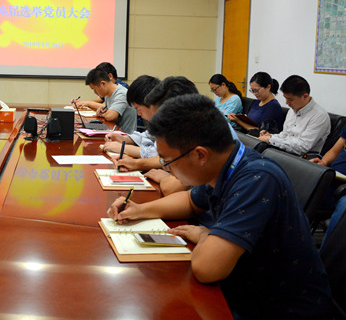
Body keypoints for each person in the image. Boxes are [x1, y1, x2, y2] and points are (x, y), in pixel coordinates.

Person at [107, 94, 334, 318]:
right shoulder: (227, 163)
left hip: (279, 309)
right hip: (243, 288)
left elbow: (207, 269)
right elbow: (190, 201)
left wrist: (205, 235)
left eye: (168, 161)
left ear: (200, 155)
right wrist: (139, 210)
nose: (166, 168)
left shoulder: (257, 179)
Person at [108, 76, 198, 195]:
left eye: (139, 109)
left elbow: (170, 187)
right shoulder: (186, 123)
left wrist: (164, 178)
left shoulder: (193, 135)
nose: (139, 114)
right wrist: (136, 163)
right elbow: (162, 157)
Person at [258, 75, 330, 156]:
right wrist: (271, 136)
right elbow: (285, 135)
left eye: (290, 99)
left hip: (302, 159)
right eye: (285, 98)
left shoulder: (319, 116)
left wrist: (271, 140)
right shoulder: (292, 110)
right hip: (284, 153)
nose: (287, 103)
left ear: (305, 96)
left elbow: (302, 147)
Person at [83, 68, 137, 134]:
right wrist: (103, 110)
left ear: (103, 84)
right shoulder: (107, 94)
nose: (95, 92)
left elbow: (110, 116)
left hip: (125, 136)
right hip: (113, 132)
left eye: (94, 89)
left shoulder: (122, 93)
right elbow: (108, 112)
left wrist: (102, 114)